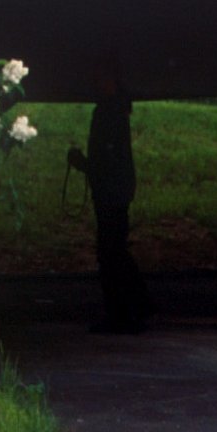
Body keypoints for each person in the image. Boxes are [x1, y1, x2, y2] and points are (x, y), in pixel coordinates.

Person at [66, 60, 149, 334]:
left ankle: (125, 312)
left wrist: (83, 164)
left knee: (111, 253)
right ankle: (130, 310)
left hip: (111, 191)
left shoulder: (107, 113)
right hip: (115, 189)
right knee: (114, 251)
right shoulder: (116, 110)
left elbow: (107, 159)